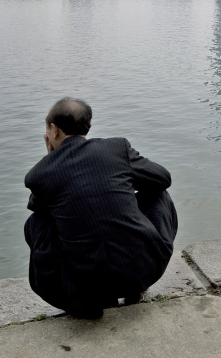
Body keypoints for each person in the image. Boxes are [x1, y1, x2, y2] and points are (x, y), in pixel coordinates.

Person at [24, 98, 178, 319]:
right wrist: (121, 189)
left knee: (36, 222)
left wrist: (51, 160)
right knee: (158, 194)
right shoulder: (117, 148)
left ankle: (78, 299)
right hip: (144, 269)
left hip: (86, 287)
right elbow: (162, 178)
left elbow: (38, 207)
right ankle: (133, 288)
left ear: (54, 130)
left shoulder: (39, 174)